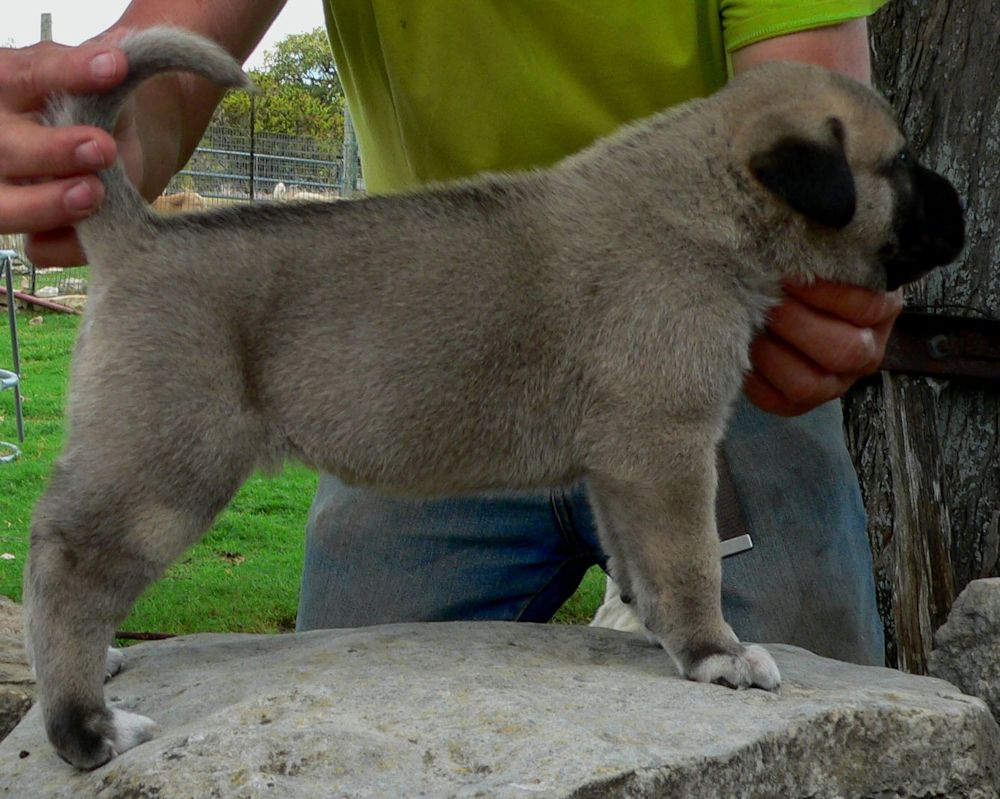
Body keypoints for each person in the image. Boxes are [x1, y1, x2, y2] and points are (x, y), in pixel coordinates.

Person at [0, 1, 897, 666]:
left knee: (817, 727)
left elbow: (809, 109)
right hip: (410, 356)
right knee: (340, 729)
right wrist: (94, 147)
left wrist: (826, 276)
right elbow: (159, 90)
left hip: (719, 365)